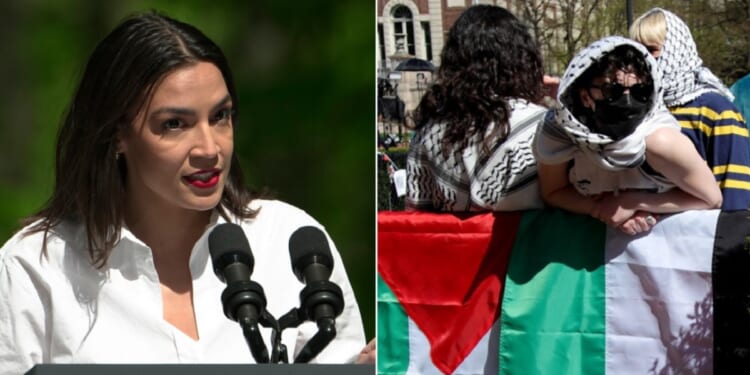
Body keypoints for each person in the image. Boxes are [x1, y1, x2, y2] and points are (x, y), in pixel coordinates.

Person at [0, 12, 369, 372]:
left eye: (220, 116)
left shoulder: (290, 240)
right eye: (175, 124)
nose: (210, 148)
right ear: (116, 134)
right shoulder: (35, 269)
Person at [534, 36, 722, 235]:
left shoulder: (660, 141)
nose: (628, 101)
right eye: (612, 90)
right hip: (593, 253)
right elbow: (553, 192)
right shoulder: (560, 134)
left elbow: (711, 198)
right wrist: (598, 209)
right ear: (585, 96)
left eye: (640, 90)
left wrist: (635, 202)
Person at [406, 5, 549, 211]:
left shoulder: (429, 130)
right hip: (528, 242)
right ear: (522, 58)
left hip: (450, 243)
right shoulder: (539, 126)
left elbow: (415, 218)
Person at [629, 8, 750, 210]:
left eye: (651, 50)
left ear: (676, 49)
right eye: (635, 52)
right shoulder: (635, 110)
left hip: (699, 237)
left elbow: (736, 197)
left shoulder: (715, 111)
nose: (643, 60)